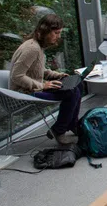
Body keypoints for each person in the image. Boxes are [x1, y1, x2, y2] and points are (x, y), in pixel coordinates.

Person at [9, 14, 82, 144]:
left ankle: (72, 124)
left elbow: (37, 70)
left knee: (77, 84)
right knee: (71, 92)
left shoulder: (37, 46)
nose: (58, 36)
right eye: (56, 33)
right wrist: (43, 86)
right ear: (45, 31)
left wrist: (57, 75)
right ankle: (59, 130)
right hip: (24, 94)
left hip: (34, 88)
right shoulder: (32, 49)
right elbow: (17, 76)